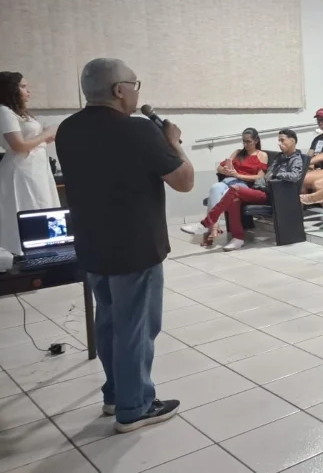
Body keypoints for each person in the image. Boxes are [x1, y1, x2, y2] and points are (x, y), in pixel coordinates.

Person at [56, 58, 194, 432]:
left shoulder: (68, 129)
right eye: (134, 84)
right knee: (135, 327)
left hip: (92, 243)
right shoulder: (139, 130)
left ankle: (116, 394)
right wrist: (173, 143)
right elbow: (184, 181)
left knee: (109, 321)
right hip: (134, 246)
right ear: (119, 90)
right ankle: (135, 407)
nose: (136, 91)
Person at [198, 129, 303, 250]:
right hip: (261, 189)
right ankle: (237, 238)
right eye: (279, 140)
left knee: (235, 189)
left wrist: (276, 175)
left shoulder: (296, 159)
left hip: (273, 194)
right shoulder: (279, 157)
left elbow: (295, 176)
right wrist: (270, 176)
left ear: (292, 141)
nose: (279, 143)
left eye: (282, 140)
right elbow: (267, 175)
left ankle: (210, 219)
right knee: (234, 199)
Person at [0, 72, 59, 255]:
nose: (28, 91)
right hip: (21, 169)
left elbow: (30, 141)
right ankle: (23, 254)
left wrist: (46, 138)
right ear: (11, 89)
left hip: (36, 168)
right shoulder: (4, 111)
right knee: (26, 208)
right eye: (23, 87)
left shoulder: (20, 113)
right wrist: (46, 133)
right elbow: (18, 145)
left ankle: (44, 252)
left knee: (41, 205)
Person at [182, 129, 268, 246]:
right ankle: (213, 227)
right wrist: (226, 170)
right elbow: (219, 168)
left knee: (227, 193)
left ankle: (209, 227)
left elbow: (260, 176)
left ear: (256, 140)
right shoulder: (238, 152)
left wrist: (238, 175)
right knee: (215, 188)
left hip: (244, 184)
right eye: (243, 141)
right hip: (229, 179)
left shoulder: (261, 155)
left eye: (248, 141)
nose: (245, 144)